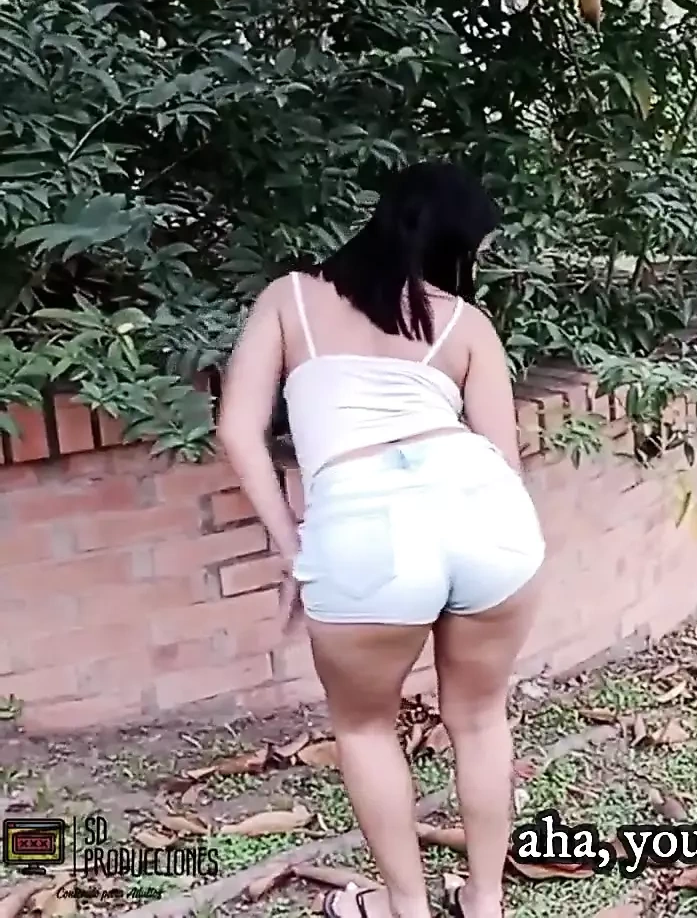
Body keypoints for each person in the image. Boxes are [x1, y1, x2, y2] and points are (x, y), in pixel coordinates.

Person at [218, 161, 545, 918]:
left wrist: (295, 548)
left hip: (365, 531)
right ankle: (485, 901)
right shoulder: (467, 324)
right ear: (457, 246)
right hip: (486, 513)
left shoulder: (289, 299)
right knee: (480, 718)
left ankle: (406, 906)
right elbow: (504, 457)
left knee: (366, 728)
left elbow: (237, 430)